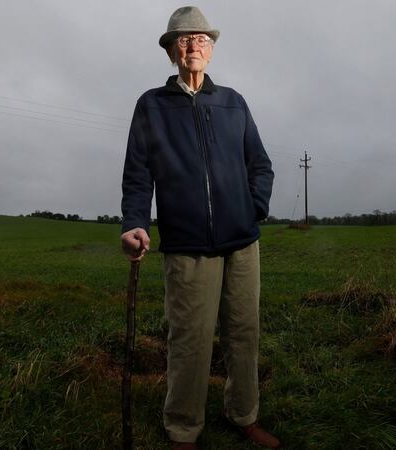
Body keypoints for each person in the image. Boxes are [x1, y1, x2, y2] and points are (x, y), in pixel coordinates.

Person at [119, 6, 279, 449]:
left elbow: (260, 165)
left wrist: (252, 209)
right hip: (187, 246)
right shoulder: (152, 105)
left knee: (243, 334)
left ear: (211, 49)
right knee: (190, 340)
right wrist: (134, 222)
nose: (194, 45)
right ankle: (183, 429)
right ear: (171, 50)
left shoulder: (233, 102)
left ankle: (243, 414)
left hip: (242, 244)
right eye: (184, 39)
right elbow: (138, 175)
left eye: (202, 39)